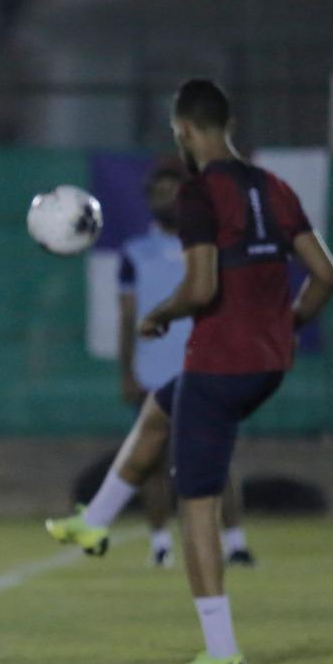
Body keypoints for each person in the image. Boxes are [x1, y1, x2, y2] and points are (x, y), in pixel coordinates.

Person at [49, 79, 333, 664]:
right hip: (266, 363)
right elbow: (325, 275)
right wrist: (288, 325)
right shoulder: (274, 187)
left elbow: (202, 287)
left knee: (197, 503)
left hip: (221, 361)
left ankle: (221, 648)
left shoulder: (200, 195)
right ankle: (93, 522)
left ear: (183, 129)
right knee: (159, 410)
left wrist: (164, 313)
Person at [115, 159, 254, 568]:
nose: (165, 200)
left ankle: (235, 543)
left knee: (219, 460)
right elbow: (127, 316)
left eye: (172, 192)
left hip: (206, 370)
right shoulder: (134, 253)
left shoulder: (213, 248)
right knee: (153, 465)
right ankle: (160, 545)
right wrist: (127, 372)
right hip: (152, 375)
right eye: (157, 193)